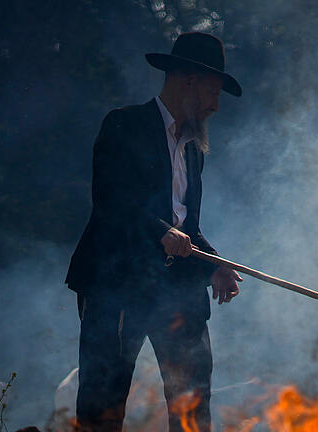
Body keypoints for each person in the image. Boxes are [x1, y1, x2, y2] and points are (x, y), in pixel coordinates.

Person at [64, 32, 243, 432]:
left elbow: (186, 225)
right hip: (118, 282)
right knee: (103, 404)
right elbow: (110, 199)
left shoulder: (194, 150)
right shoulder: (124, 124)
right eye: (213, 91)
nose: (215, 106)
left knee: (193, 398)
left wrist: (213, 264)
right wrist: (160, 232)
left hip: (175, 287)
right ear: (188, 81)